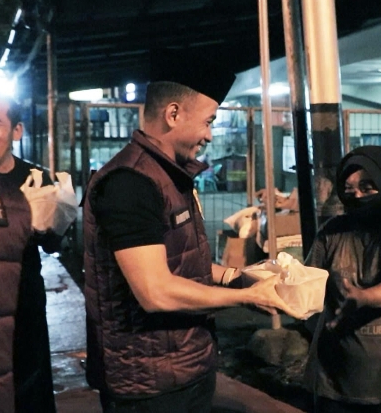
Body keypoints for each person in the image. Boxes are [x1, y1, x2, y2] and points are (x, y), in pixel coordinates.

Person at [83, 50, 301, 413]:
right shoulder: (130, 183)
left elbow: (180, 264)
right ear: (173, 114)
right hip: (149, 384)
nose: (209, 135)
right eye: (208, 121)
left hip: (182, 367)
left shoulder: (169, 176)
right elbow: (156, 291)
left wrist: (237, 278)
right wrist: (246, 298)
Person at [305, 146, 381, 413]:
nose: (357, 196)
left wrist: (364, 297)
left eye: (367, 187)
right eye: (349, 189)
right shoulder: (332, 233)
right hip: (333, 380)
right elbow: (307, 280)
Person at [0, 89, 59, 413]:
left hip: (25, 306)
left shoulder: (37, 179)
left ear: (16, 131)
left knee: (30, 391)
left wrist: (52, 225)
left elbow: (53, 246)